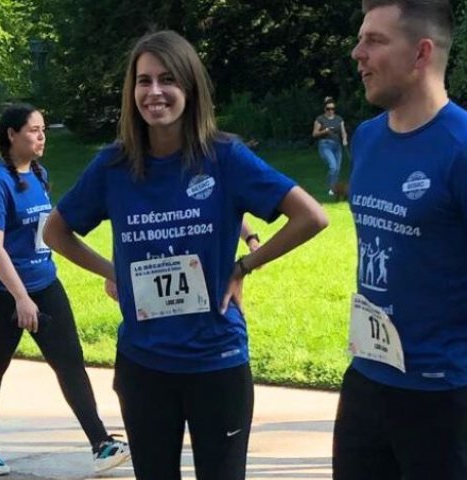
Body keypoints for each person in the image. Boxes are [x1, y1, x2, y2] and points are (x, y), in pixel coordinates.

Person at [43, 30, 328, 479]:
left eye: (168, 80)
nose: (154, 92)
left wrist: (243, 266)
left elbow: (311, 216)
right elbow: (55, 231)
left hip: (217, 357)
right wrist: (114, 270)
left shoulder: (225, 157)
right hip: (144, 362)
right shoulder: (114, 165)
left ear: (190, 88)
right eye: (144, 81)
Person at [336, 1, 467, 479]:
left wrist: (441, 325)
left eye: (375, 41)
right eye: (361, 39)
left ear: (421, 53)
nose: (358, 53)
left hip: (447, 389)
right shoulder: (367, 138)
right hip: (369, 375)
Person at [0, 104, 130, 476]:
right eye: (33, 130)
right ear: (11, 134)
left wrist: (111, 272)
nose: (41, 137)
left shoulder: (40, 174)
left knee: (70, 361)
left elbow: (51, 236)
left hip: (44, 284)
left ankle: (101, 444)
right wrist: (20, 298)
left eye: (43, 129)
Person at [313, 96, 349, 196]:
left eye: (332, 109)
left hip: (337, 146)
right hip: (325, 145)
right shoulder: (320, 119)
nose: (330, 111)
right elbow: (314, 134)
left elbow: (343, 132)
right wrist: (325, 131)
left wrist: (345, 139)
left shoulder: (339, 119)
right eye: (328, 109)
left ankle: (333, 188)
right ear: (324, 109)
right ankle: (332, 188)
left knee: (337, 169)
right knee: (333, 166)